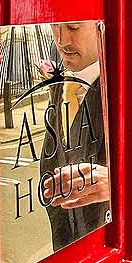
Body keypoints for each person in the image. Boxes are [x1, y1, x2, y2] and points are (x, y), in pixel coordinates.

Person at [39, 19, 111, 247]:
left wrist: (120, 186)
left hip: (107, 248)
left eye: (73, 27)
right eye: (55, 27)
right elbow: (50, 165)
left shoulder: (131, 82)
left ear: (100, 25)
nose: (62, 41)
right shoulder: (60, 84)